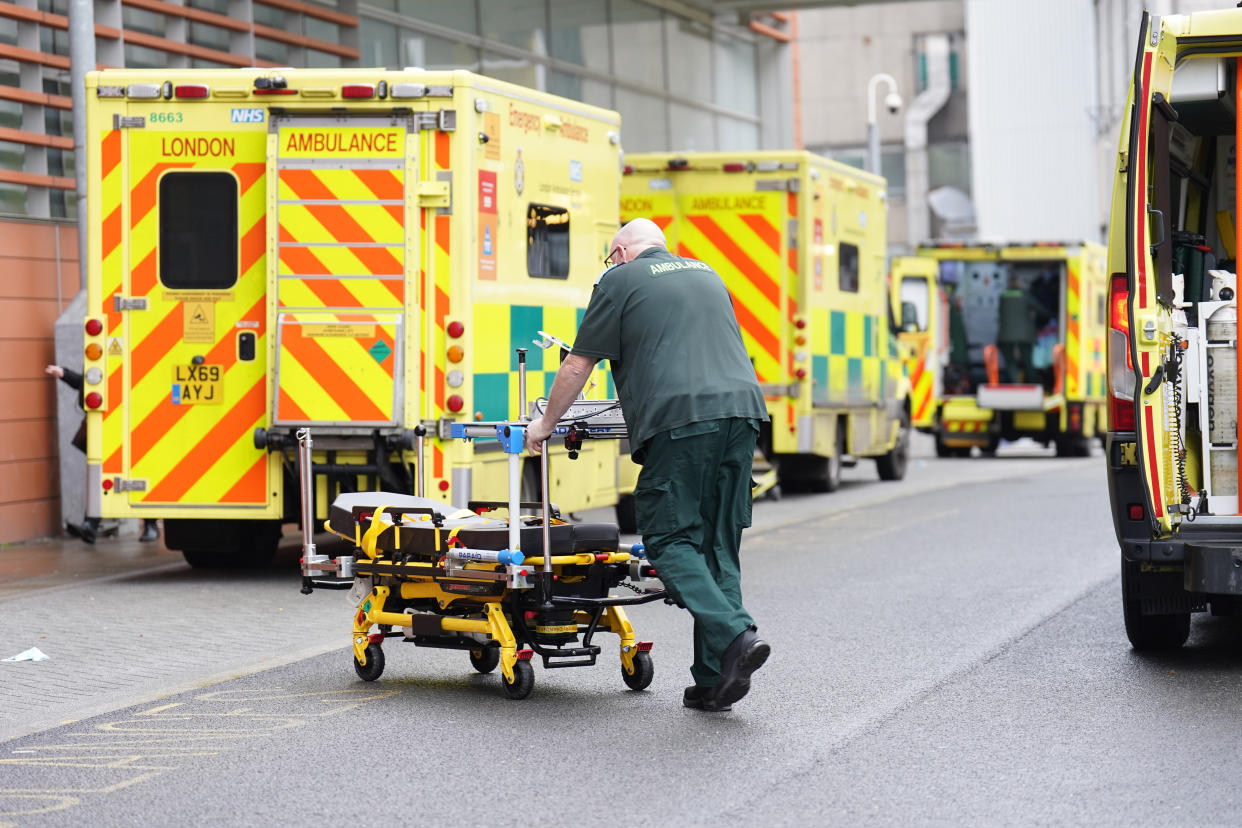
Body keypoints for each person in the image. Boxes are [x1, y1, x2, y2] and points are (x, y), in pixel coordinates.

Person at [524, 218, 771, 712]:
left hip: (680, 420)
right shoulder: (707, 272)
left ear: (619, 252)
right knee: (717, 544)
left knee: (667, 538)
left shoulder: (619, 279)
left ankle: (735, 634)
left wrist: (545, 425)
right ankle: (714, 680)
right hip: (743, 413)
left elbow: (577, 364)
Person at [45, 364, 159, 544]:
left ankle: (150, 524)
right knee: (100, 474)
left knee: (139, 474)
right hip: (107, 425)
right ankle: (90, 525)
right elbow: (88, 383)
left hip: (135, 424)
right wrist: (64, 373)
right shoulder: (102, 361)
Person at [996, 276, 1050, 384]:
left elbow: (1001, 313)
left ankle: (1016, 384)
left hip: (1005, 336)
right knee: (1028, 361)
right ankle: (1034, 384)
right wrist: (1054, 314)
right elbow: (1040, 310)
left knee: (1010, 362)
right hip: (1025, 335)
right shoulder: (1026, 295)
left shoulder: (1003, 296)